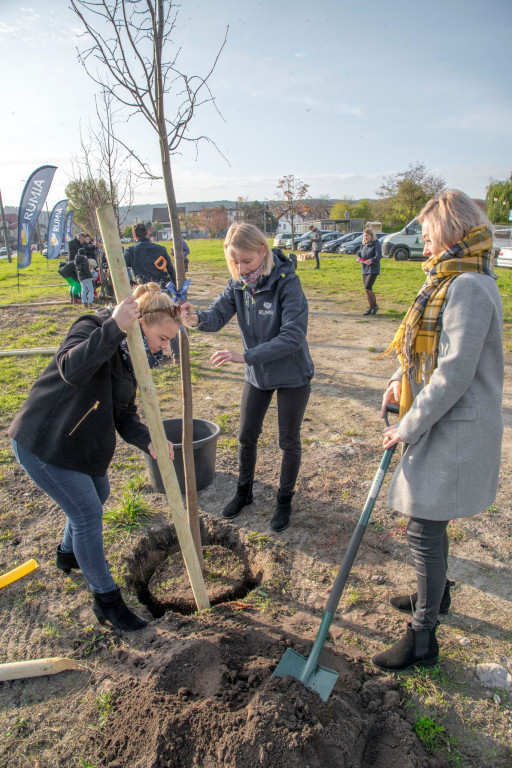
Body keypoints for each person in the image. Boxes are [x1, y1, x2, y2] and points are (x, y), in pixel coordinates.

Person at [372, 189, 503, 672]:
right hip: (444, 418)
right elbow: (420, 354)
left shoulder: (467, 285)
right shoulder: (451, 279)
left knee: (423, 524)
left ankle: (424, 637)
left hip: (456, 424)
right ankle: (438, 592)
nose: (423, 247)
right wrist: (395, 382)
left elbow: (452, 372)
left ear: (450, 232)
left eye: (427, 237)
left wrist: (407, 427)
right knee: (430, 519)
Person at [9, 284, 179, 631]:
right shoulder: (93, 326)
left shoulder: (133, 358)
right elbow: (70, 369)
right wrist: (114, 327)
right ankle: (107, 601)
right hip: (44, 442)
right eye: (162, 338)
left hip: (81, 447)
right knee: (87, 512)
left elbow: (123, 413)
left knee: (98, 496)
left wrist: (148, 440)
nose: (166, 347)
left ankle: (67, 554)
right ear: (141, 323)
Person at [180, 222, 314, 533]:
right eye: (235, 262)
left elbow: (292, 337)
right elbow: (215, 316)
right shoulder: (238, 285)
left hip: (292, 374)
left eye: (247, 261)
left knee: (288, 440)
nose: (241, 268)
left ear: (263, 252)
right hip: (258, 374)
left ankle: (284, 501)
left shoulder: (287, 283)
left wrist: (246, 355)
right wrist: (194, 318)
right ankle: (244, 492)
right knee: (245, 437)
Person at [357, 228, 382, 315]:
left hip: (373, 269)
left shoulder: (376, 243)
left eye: (367, 236)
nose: (365, 237)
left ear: (371, 236)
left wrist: (371, 260)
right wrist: (358, 259)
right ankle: (371, 307)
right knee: (367, 289)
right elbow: (359, 254)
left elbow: (379, 255)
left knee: (368, 287)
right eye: (364, 236)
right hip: (364, 269)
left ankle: (375, 306)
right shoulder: (363, 245)